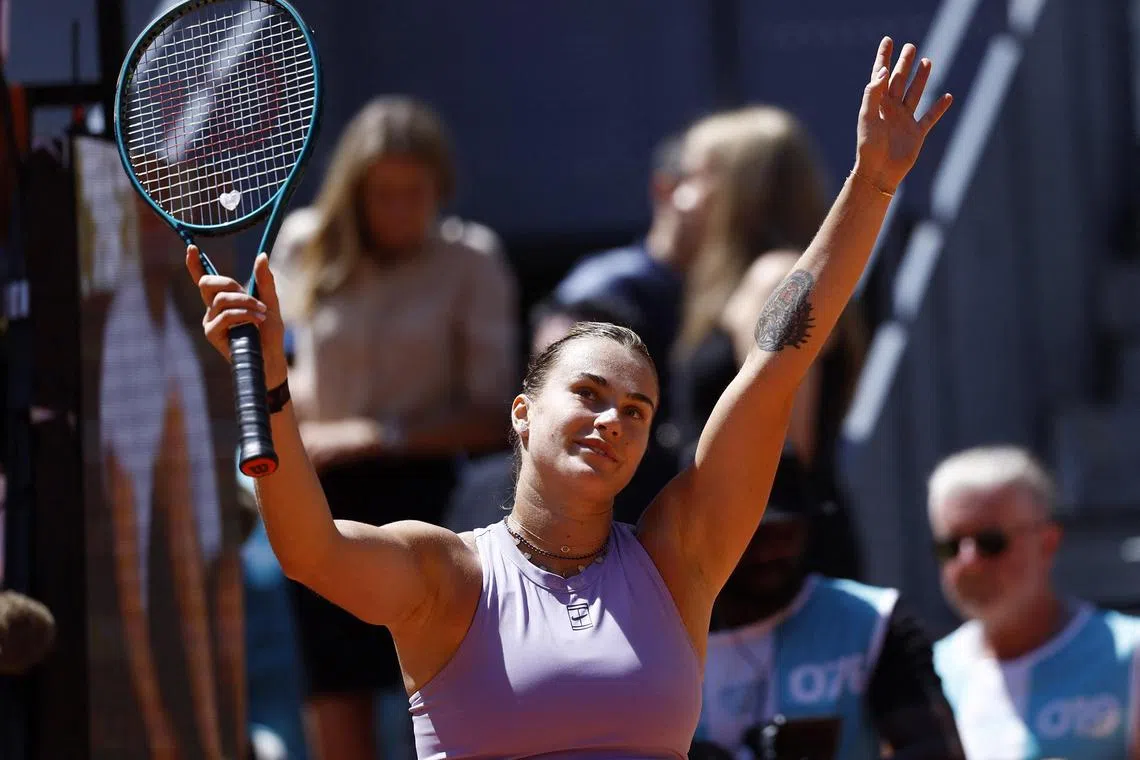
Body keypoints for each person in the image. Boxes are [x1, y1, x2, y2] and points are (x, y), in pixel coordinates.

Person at [190, 38, 951, 758]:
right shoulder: (445, 573)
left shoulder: (678, 557)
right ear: (521, 414)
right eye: (587, 393)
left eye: (636, 410)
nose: (612, 419)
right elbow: (309, 548)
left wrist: (874, 182)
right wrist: (272, 393)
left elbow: (780, 356)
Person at [265, 96, 518, 760]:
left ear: (440, 189)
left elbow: (495, 412)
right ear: (355, 190)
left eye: (416, 194)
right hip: (322, 498)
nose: (400, 210)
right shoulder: (303, 244)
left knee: (434, 687)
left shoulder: (471, 260)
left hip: (428, 497)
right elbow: (284, 367)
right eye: (384, 194)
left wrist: (378, 435)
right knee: (333, 689)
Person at [671, 105, 867, 582]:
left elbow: (784, 444)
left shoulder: (774, 278)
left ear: (742, 190)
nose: (680, 197)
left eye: (695, 176)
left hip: (775, 560)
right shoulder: (743, 283)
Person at [691, 453, 964, 760]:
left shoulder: (873, 620)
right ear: (701, 532)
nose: (767, 552)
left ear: (808, 527)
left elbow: (934, 750)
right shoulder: (660, 630)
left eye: (782, 533)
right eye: (750, 535)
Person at [928, 446, 1140, 760]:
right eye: (951, 546)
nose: (969, 562)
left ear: (1047, 542)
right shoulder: (930, 673)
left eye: (991, 542)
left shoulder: (1130, 655)